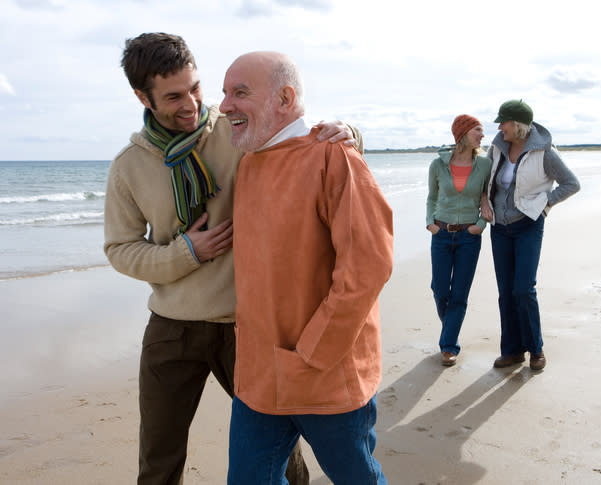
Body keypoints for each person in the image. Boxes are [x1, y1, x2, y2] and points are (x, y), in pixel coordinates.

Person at [103, 33, 359, 485]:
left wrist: (348, 133)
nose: (192, 103)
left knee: (282, 456)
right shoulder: (129, 166)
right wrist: (186, 253)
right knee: (158, 459)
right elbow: (121, 249)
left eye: (196, 88)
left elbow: (298, 139)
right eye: (174, 96)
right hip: (172, 326)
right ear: (141, 97)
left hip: (249, 325)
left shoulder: (239, 129)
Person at [219, 51, 393, 485]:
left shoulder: (334, 157)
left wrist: (312, 354)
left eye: (240, 92)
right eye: (224, 94)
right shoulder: (248, 161)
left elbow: (368, 266)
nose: (224, 106)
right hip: (258, 380)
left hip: (326, 378)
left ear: (285, 97)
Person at [481, 99, 580, 371]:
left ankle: (536, 349)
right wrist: (484, 202)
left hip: (528, 224)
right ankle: (512, 351)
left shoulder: (544, 152)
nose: (499, 127)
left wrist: (545, 204)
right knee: (506, 292)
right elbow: (484, 179)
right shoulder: (497, 147)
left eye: (503, 122)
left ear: (518, 124)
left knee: (523, 289)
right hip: (500, 228)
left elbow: (572, 183)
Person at [425, 114, 492, 367]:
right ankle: (451, 328)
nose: (482, 135)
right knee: (440, 290)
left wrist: (480, 225)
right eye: (477, 129)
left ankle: (449, 346)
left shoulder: (484, 165)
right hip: (441, 234)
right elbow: (431, 197)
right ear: (463, 133)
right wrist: (430, 223)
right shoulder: (437, 165)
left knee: (459, 295)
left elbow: (489, 196)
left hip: (469, 236)